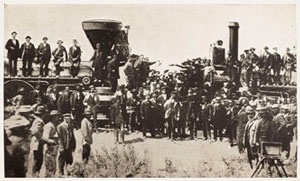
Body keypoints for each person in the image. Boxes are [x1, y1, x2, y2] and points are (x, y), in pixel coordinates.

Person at [42, 110, 62, 177]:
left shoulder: (56, 125)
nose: (58, 118)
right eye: (56, 116)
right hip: (49, 149)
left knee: (53, 167)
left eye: (58, 116)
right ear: (52, 117)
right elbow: (45, 137)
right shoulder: (49, 126)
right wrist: (51, 141)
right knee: (50, 168)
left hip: (54, 149)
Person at [30, 105, 46, 177]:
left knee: (39, 158)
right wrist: (41, 138)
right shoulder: (39, 121)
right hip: (37, 142)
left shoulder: (38, 120)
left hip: (38, 142)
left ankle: (36, 174)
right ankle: (35, 175)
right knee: (38, 159)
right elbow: (35, 131)